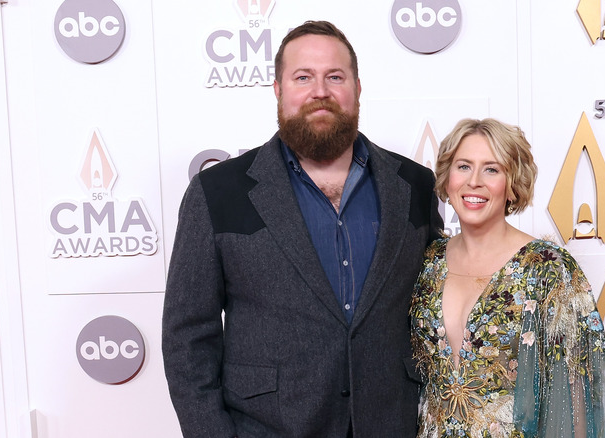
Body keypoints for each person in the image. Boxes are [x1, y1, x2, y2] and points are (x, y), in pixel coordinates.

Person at [162, 21, 442, 438]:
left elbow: (437, 304)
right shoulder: (217, 192)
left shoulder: (416, 185)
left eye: (335, 77)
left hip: (393, 424)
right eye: (303, 77)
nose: (320, 91)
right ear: (278, 90)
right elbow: (188, 339)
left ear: (358, 88)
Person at [410, 119, 605, 438]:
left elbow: (577, 405)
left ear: (513, 183)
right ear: (446, 177)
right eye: (463, 166)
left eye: (491, 169)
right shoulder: (427, 261)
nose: (474, 182)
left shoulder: (548, 268)